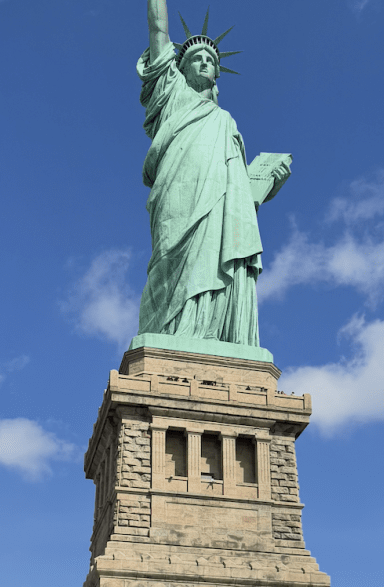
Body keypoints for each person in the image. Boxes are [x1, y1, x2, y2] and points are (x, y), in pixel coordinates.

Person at [137, 0, 290, 347]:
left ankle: (213, 333)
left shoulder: (225, 121)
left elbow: (238, 190)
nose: (204, 62)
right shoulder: (172, 95)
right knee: (170, 257)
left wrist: (265, 184)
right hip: (178, 195)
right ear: (180, 68)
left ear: (217, 73)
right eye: (196, 58)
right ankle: (170, 333)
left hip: (221, 208)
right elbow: (158, 29)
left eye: (210, 59)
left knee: (219, 253)